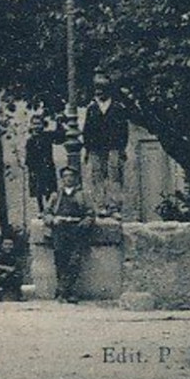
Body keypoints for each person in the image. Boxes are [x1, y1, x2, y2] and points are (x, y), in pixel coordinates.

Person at [82, 72, 130, 217]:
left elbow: (124, 130)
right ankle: (100, 206)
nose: (99, 93)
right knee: (97, 176)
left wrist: (122, 149)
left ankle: (114, 207)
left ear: (108, 91)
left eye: (102, 90)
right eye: (97, 90)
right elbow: (87, 130)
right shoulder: (91, 109)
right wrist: (87, 150)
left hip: (114, 147)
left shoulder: (117, 108)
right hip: (96, 148)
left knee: (114, 177)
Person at [44, 166, 91, 304]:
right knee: (60, 260)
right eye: (65, 176)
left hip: (76, 230)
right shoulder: (56, 195)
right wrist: (53, 219)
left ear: (76, 178)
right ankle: (64, 291)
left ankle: (65, 291)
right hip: (60, 230)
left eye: (71, 175)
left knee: (74, 261)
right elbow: (46, 213)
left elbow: (90, 213)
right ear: (62, 179)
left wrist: (84, 223)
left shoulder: (83, 194)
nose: (68, 178)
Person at [0, 232, 24, 302]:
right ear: (2, 246)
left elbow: (15, 267)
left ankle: (19, 294)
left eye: (10, 244)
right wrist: (5, 269)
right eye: (6, 244)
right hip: (2, 275)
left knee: (18, 275)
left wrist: (6, 273)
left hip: (12, 275)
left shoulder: (16, 255)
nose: (8, 247)